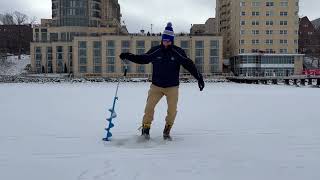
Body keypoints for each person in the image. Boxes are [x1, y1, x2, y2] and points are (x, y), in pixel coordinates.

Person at [119, 22, 205, 140]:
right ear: (162, 40)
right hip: (156, 87)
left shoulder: (178, 52)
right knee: (149, 108)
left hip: (172, 87)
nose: (166, 43)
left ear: (172, 40)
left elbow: (189, 65)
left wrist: (199, 78)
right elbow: (142, 59)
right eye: (164, 41)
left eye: (168, 41)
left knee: (172, 111)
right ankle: (145, 130)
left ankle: (167, 130)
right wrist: (128, 56)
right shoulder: (156, 51)